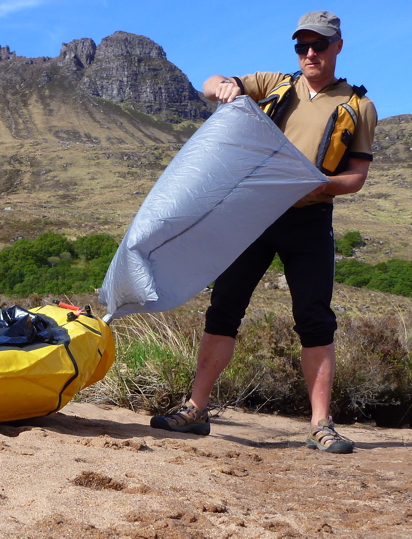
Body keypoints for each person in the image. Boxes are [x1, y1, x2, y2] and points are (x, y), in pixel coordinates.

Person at [149, 11, 377, 454]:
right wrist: (223, 87)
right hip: (252, 216)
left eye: (319, 45)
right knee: (223, 309)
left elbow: (356, 176)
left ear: (338, 46)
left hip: (309, 221)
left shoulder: (359, 106)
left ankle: (320, 424)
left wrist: (321, 185)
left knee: (315, 319)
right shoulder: (275, 83)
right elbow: (211, 83)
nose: (310, 53)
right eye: (302, 46)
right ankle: (195, 409)